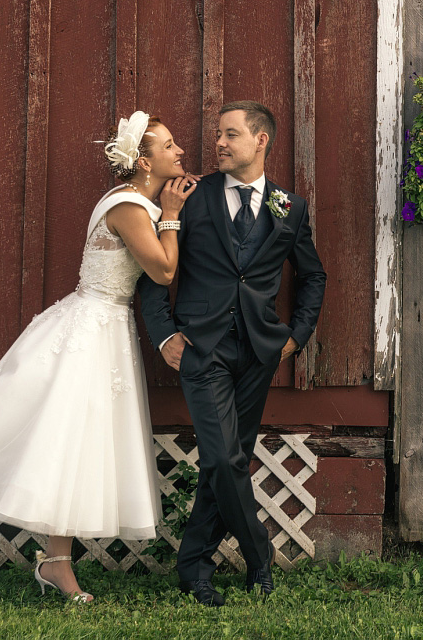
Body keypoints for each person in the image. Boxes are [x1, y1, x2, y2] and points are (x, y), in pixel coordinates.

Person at [0, 111, 197, 603]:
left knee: (73, 447)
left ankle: (55, 564)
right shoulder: (132, 206)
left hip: (102, 326)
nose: (180, 152)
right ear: (143, 160)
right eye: (170, 145)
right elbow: (162, 271)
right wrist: (173, 214)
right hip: (92, 331)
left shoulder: (133, 201)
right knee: (61, 436)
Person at [138, 100, 326, 607]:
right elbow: (155, 275)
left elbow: (312, 276)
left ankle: (194, 569)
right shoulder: (189, 197)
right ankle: (259, 558)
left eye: (230, 134)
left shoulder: (289, 206)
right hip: (202, 348)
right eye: (218, 134)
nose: (218, 143)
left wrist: (298, 334)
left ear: (260, 140)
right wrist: (163, 334)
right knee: (224, 458)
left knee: (228, 463)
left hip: (260, 351)